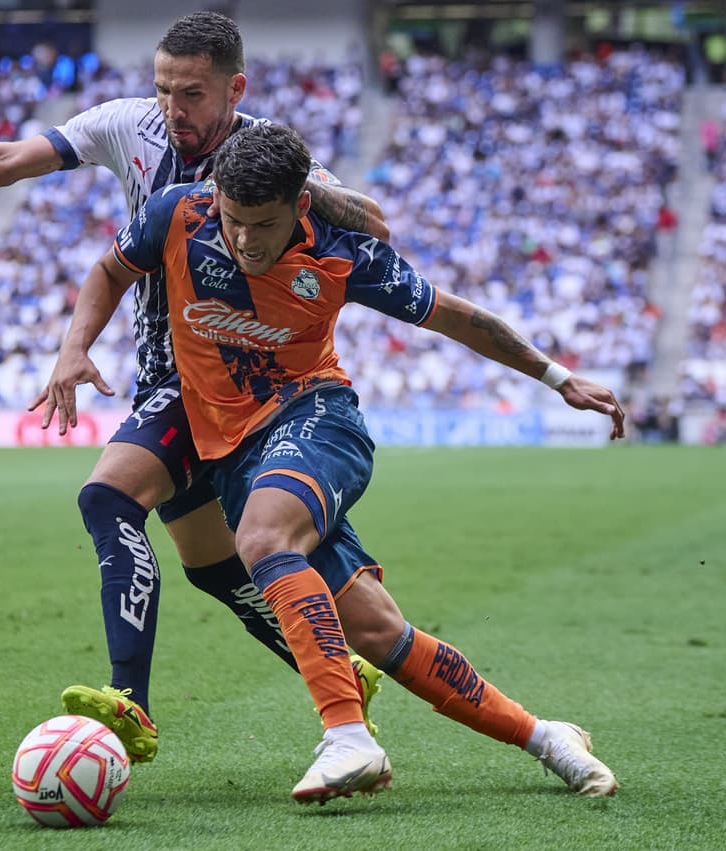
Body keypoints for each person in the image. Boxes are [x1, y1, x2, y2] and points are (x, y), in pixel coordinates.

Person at [0, 12, 391, 761]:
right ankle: (341, 672)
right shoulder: (130, 128)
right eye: (162, 89)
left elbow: (373, 222)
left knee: (108, 496)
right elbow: (7, 160)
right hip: (164, 376)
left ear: (234, 88)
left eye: (192, 94)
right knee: (215, 568)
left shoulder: (268, 158)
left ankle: (132, 706)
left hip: (240, 383)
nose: (172, 109)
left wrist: (309, 188)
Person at [36, 124, 623, 803]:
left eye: (265, 224)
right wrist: (74, 348)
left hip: (316, 421)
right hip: (228, 450)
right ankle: (548, 736)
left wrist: (557, 377)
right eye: (234, 221)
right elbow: (111, 269)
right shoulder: (176, 212)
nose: (246, 241)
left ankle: (348, 735)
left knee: (261, 539)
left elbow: (457, 317)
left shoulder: (345, 255)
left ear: (301, 206)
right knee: (377, 631)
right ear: (214, 197)